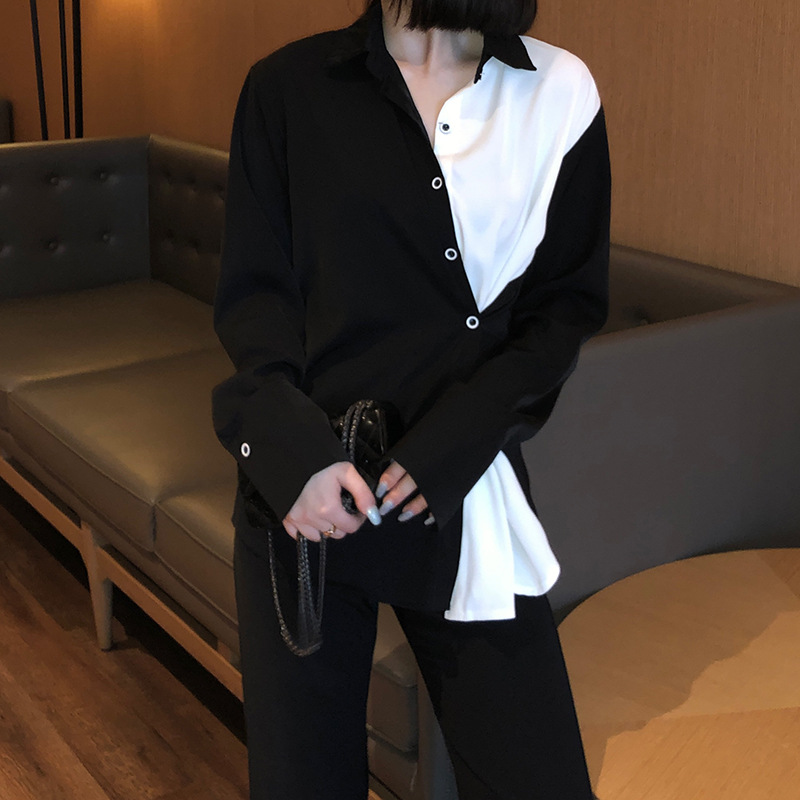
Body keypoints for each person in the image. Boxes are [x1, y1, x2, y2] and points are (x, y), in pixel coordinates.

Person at [212, 0, 610, 797]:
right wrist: (290, 455)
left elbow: (563, 310)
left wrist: (455, 444)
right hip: (306, 501)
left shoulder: (559, 91)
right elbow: (257, 303)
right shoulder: (287, 88)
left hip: (464, 492)